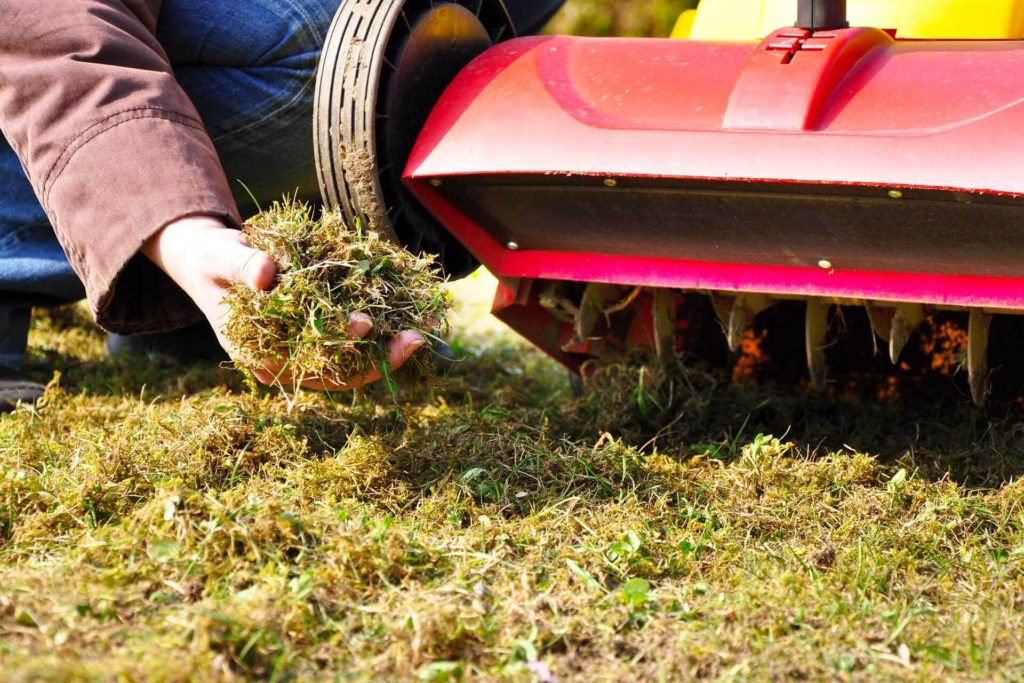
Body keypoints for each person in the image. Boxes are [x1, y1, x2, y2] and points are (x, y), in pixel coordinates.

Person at [0, 0, 565, 411]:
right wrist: (182, 231)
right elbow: (49, 25)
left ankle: (192, 303)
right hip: (50, 39)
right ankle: (40, 253)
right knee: (343, 46)